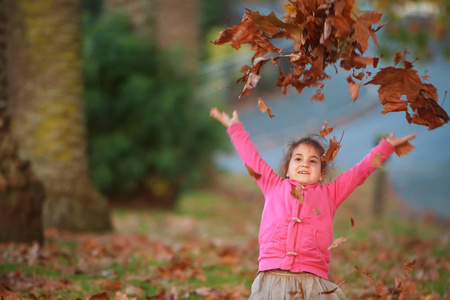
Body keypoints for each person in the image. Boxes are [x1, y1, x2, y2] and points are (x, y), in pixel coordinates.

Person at [210, 107, 417, 299]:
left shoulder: (330, 194)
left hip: (312, 282)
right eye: (298, 159)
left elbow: (359, 172)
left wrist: (386, 147)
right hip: (271, 279)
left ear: (321, 173)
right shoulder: (273, 185)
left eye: (312, 161)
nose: (304, 164)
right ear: (287, 169)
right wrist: (235, 129)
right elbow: (251, 159)